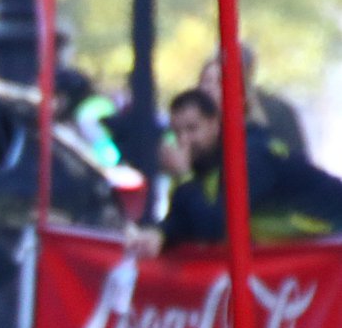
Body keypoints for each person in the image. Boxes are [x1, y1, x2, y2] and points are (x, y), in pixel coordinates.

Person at [126, 89, 342, 256]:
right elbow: (189, 219)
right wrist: (160, 233)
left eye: (192, 129)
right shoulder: (202, 166)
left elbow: (217, 229)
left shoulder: (249, 157)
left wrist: (184, 177)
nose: (184, 140)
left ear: (215, 124)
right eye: (177, 132)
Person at [200, 41, 307, 161]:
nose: (209, 88)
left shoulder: (276, 111)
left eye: (220, 81)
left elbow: (296, 156)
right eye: (207, 81)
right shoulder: (193, 115)